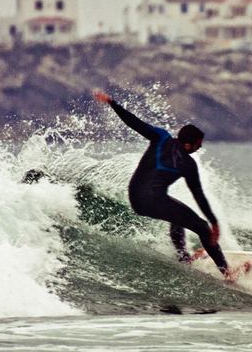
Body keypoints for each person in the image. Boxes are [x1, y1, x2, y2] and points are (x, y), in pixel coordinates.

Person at [92, 90, 235, 279]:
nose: (200, 147)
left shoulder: (160, 137)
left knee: (177, 214)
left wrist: (112, 103)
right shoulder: (188, 165)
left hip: (135, 196)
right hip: (153, 200)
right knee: (202, 227)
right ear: (188, 145)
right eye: (198, 144)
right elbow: (198, 195)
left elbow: (135, 123)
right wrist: (214, 223)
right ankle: (228, 273)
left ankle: (183, 257)